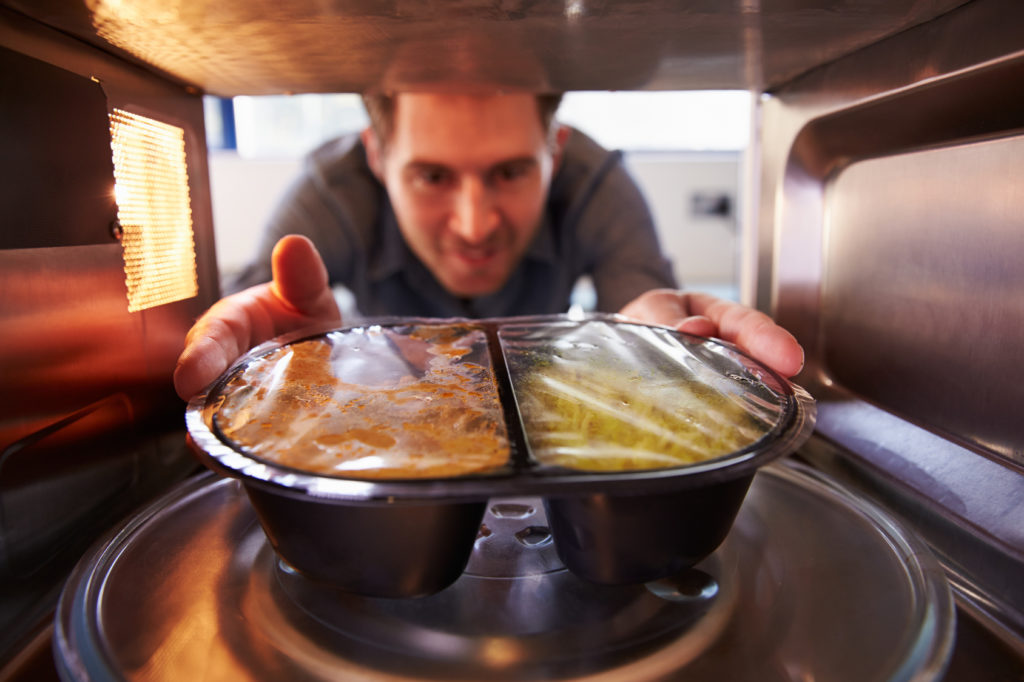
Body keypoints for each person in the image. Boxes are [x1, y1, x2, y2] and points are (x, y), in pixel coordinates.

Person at [173, 91, 803, 400]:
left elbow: (645, 307)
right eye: (432, 176)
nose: (474, 226)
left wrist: (655, 344)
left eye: (509, 172)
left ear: (553, 153)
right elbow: (252, 324)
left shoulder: (595, 183)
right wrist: (276, 364)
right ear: (377, 155)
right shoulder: (329, 195)